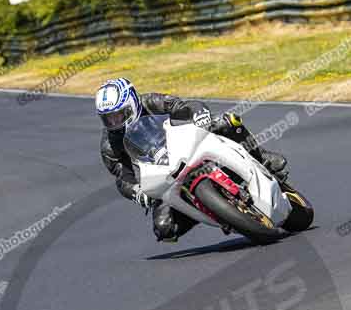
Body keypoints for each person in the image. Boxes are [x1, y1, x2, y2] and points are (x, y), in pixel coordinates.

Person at [96, 78, 289, 243]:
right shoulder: (110, 145)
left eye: (118, 115)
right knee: (165, 229)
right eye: (108, 119)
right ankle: (218, 211)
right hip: (160, 176)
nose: (114, 122)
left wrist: (199, 116)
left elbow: (183, 106)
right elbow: (122, 177)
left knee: (228, 121)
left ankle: (261, 157)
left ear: (131, 103)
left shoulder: (151, 101)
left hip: (186, 142)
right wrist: (137, 193)